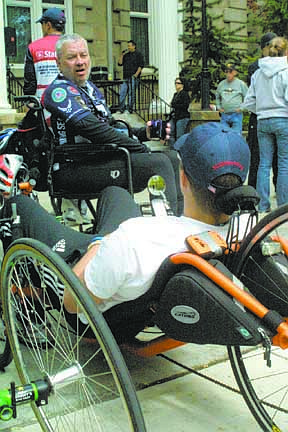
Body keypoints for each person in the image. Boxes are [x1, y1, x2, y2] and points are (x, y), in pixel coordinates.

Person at [1, 122, 250, 342]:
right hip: (126, 281)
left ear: (183, 179)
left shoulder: (136, 237)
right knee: (115, 193)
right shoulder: (245, 232)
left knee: (18, 205)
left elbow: (72, 302)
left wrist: (100, 244)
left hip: (90, 307)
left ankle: (25, 306)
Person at [43, 34, 182, 218]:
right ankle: (169, 229)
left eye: (83, 55)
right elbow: (93, 129)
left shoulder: (90, 89)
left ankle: (181, 221)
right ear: (59, 63)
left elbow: (109, 126)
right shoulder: (58, 91)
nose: (80, 62)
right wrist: (139, 148)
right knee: (158, 162)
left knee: (172, 157)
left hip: (101, 158)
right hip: (74, 167)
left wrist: (143, 133)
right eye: (72, 57)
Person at [242, 36, 288, 213]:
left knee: (263, 163)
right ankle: (283, 207)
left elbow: (248, 101)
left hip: (263, 119)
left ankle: (262, 205)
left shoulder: (258, 73)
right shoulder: (285, 71)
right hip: (283, 118)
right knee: (284, 163)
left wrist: (261, 109)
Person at [247, 32, 278, 189]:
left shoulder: (279, 65)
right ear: (265, 47)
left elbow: (250, 99)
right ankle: (255, 191)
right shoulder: (256, 67)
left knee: (267, 161)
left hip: (261, 115)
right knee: (261, 159)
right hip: (269, 116)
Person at [23, 7, 66, 100]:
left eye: (42, 24)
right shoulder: (72, 44)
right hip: (69, 100)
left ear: (48, 25)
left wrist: (28, 100)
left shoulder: (33, 47)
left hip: (44, 103)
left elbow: (30, 80)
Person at [216, 63, 248, 133]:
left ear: (235, 72)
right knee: (224, 135)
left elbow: (247, 98)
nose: (228, 74)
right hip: (224, 114)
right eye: (226, 72)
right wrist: (218, 107)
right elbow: (217, 97)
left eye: (230, 72)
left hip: (236, 114)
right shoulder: (221, 84)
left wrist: (242, 108)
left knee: (236, 135)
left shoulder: (241, 84)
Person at [117, 40, 144, 113]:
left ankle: (130, 108)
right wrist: (121, 55)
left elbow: (141, 66)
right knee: (122, 93)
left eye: (129, 45)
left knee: (131, 94)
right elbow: (120, 63)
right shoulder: (126, 55)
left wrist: (136, 74)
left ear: (134, 46)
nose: (128, 47)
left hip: (133, 77)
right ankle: (121, 108)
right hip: (125, 77)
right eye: (128, 46)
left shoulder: (138, 55)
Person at [168, 76, 191, 148]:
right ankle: (173, 149)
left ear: (182, 84)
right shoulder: (176, 94)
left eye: (178, 83)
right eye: (175, 83)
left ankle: (179, 149)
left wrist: (175, 105)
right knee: (170, 133)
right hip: (175, 116)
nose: (176, 85)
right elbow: (172, 104)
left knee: (179, 135)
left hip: (182, 117)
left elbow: (185, 105)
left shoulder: (184, 94)